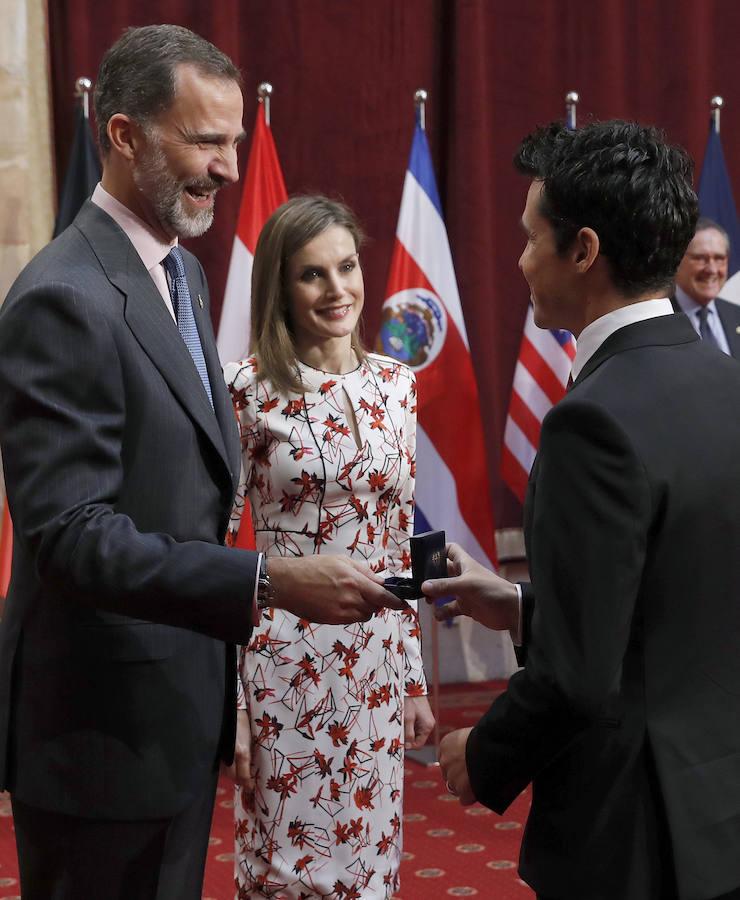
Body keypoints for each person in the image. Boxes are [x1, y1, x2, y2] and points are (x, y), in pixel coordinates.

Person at [0, 26, 402, 900]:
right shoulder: (64, 299)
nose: (227, 167)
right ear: (123, 135)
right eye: (207, 140)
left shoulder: (181, 275)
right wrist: (266, 580)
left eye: (234, 142)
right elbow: (72, 537)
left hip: (170, 723)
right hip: (97, 742)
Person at [423, 120, 740, 900]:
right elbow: (684, 598)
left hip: (637, 837)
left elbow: (578, 681)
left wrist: (483, 752)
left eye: (533, 238)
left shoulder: (590, 422)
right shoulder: (727, 380)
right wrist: (530, 608)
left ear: (585, 251)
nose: (521, 258)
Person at [224, 195, 434, 899]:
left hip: (373, 668)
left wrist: (411, 677)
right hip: (280, 663)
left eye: (346, 267)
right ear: (281, 286)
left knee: (370, 868)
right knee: (290, 872)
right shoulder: (244, 392)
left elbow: (398, 539)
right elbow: (215, 550)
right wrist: (236, 706)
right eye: (313, 274)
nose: (337, 288)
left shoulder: (399, 387)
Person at [672, 216, 740, 355]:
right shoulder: (658, 319)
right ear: (678, 261)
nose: (712, 270)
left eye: (719, 258)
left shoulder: (737, 315)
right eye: (700, 258)